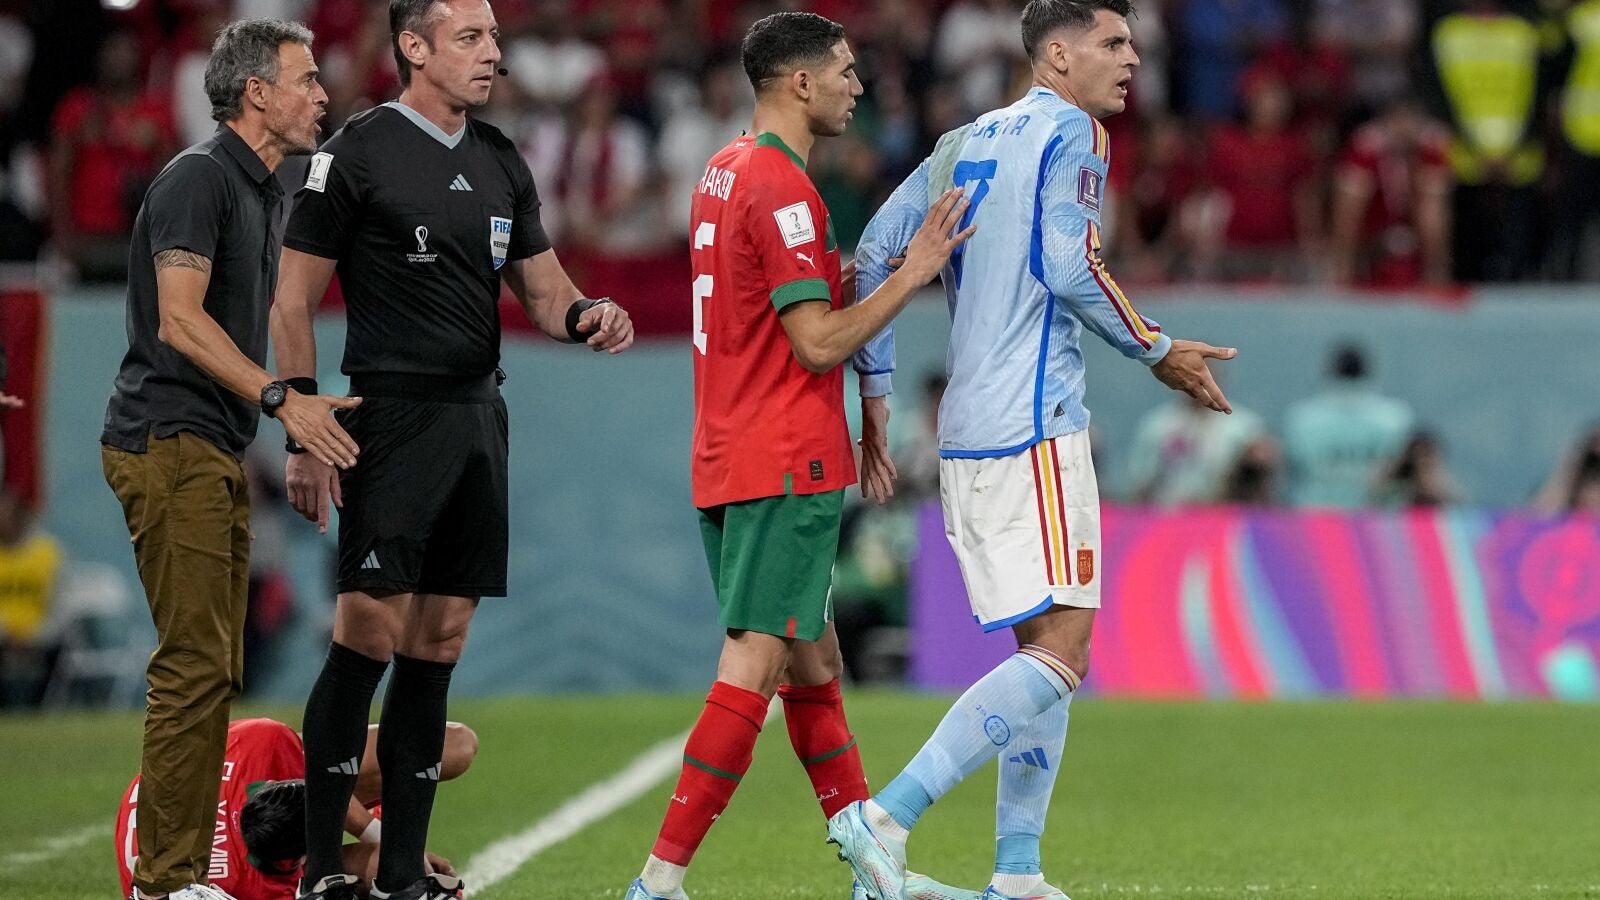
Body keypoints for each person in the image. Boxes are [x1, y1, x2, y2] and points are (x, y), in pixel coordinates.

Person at [830, 3, 1237, 899]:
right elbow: (1069, 263)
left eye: (1134, 44)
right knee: (1065, 654)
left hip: (969, 432)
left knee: (1043, 653)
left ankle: (1017, 872)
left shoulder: (958, 143)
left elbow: (877, 252)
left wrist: (876, 393)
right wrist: (1158, 349)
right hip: (1036, 424)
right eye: (1112, 43)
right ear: (1057, 54)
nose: (1132, 60)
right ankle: (884, 817)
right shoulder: (1075, 133)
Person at [269, 3, 635, 899]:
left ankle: (400, 874)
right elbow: (291, 299)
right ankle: (322, 873)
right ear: (414, 47)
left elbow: (545, 293)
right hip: (390, 416)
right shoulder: (354, 153)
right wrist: (302, 424)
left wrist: (588, 314)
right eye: (470, 38)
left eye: (494, 38)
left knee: (440, 641)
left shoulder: (502, 159)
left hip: (477, 418)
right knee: (368, 630)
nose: (491, 54)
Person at [621, 12, 974, 900]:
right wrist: (914, 272)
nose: (859, 86)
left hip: (728, 447)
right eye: (846, 71)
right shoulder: (784, 188)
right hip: (785, 460)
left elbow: (772, 309)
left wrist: (870, 278)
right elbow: (815, 343)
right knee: (754, 663)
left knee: (814, 662)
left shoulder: (722, 170)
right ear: (800, 82)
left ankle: (875, 872)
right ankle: (658, 882)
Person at [99, 19, 360, 900]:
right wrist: (283, 399)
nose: (322, 94)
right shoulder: (199, 178)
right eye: (306, 79)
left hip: (207, 444)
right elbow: (180, 319)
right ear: (257, 92)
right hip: (169, 440)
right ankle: (167, 882)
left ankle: (174, 877)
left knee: (209, 667)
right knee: (192, 666)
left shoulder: (261, 190)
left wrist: (280, 423)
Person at [115, 719, 478, 900]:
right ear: (297, 863)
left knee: (454, 745)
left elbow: (322, 774)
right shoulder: (256, 889)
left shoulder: (261, 745)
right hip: (175, 852)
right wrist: (400, 864)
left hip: (170, 802)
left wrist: (395, 844)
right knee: (393, 877)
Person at [1281, 343, 1413, 508]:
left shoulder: (1301, 419)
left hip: (1314, 516)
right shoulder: (1395, 419)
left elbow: (1288, 475)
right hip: (1379, 519)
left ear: (1330, 372)